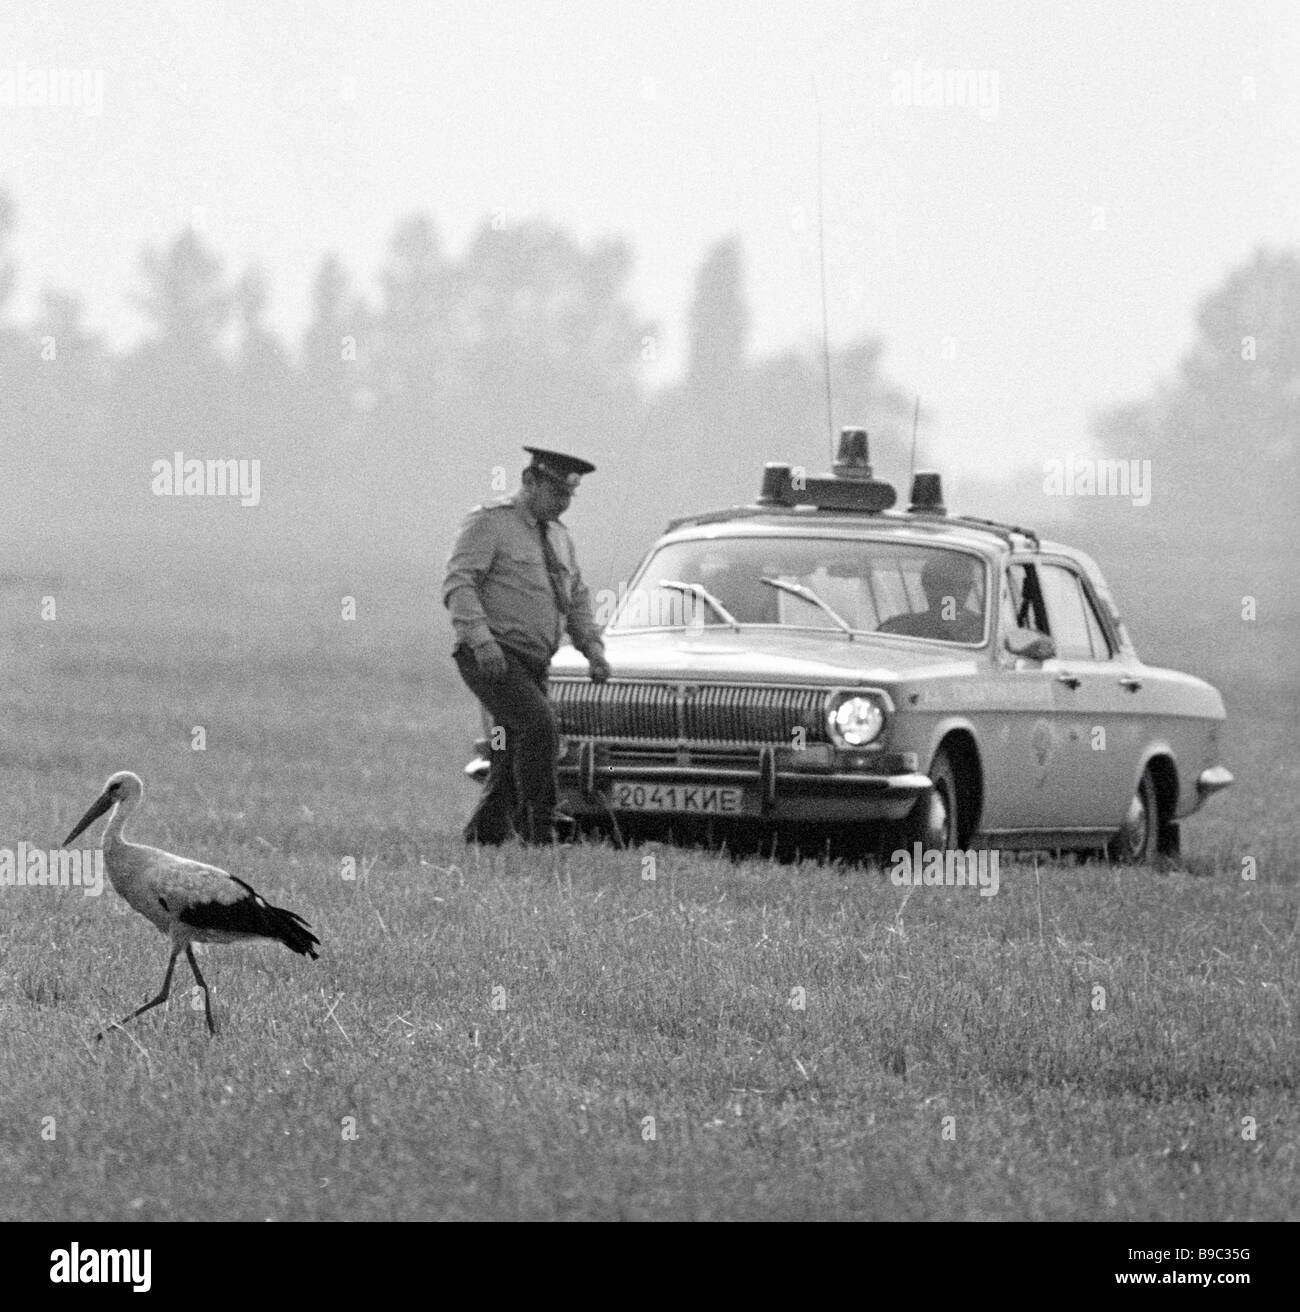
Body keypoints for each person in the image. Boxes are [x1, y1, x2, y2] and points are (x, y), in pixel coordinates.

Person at [443, 447, 611, 844]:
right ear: (529, 480)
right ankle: (539, 827)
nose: (564, 503)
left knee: (511, 749)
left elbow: (576, 597)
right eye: (556, 492)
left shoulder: (560, 537)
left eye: (570, 495)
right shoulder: (489, 523)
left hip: (534, 661)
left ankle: (484, 836)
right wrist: (482, 642)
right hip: (492, 656)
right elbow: (459, 584)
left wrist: (593, 648)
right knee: (539, 727)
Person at [877, 552, 984, 643]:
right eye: (945, 584)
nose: (955, 593)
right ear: (927, 585)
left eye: (963, 585)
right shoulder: (898, 629)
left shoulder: (982, 630)